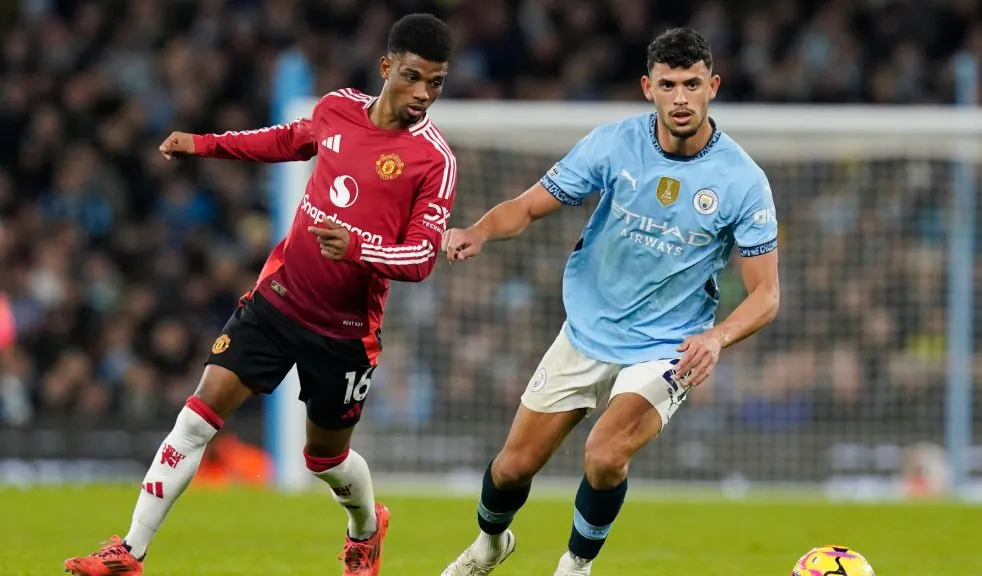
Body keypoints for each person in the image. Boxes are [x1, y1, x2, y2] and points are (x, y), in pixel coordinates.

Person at [63, 13, 456, 576]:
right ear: (386, 67)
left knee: (325, 459)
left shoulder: (434, 160)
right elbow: (284, 141)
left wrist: (357, 246)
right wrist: (205, 144)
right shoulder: (336, 108)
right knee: (197, 417)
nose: (423, 94)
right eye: (414, 77)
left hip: (344, 332)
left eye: (436, 83)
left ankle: (367, 529)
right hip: (277, 300)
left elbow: (419, 257)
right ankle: (129, 550)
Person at [439, 27, 780, 576]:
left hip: (668, 346)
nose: (681, 98)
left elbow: (766, 294)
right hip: (586, 331)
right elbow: (527, 206)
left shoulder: (742, 181)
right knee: (511, 468)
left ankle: (575, 565)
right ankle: (489, 545)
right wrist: (480, 230)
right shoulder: (613, 144)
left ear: (713, 85)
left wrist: (716, 337)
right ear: (648, 87)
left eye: (693, 84)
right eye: (668, 84)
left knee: (603, 455)